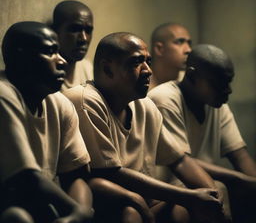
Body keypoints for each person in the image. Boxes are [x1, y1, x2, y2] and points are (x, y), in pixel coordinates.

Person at [63, 32, 228, 223]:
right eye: (136, 62)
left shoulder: (144, 105)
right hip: (109, 205)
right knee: (132, 213)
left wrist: (212, 195)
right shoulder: (85, 101)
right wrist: (188, 196)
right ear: (107, 69)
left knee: (210, 193)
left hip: (145, 203)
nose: (148, 70)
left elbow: (179, 160)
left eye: (148, 61)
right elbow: (109, 174)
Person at [148, 44, 256, 223]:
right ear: (191, 76)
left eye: (229, 82)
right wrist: (240, 180)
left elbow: (240, 156)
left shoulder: (216, 103)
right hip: (167, 193)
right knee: (216, 192)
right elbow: (180, 161)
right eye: (219, 83)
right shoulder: (164, 99)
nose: (228, 90)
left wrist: (251, 182)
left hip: (202, 188)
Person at [0, 21, 94, 223]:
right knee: (16, 217)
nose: (62, 61)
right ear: (20, 57)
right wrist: (76, 213)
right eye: (50, 52)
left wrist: (78, 214)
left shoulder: (59, 103)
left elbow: (75, 176)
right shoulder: (3, 93)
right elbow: (25, 178)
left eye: (58, 51)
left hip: (39, 208)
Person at [52, 0, 94, 91]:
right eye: (75, 29)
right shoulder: (47, 78)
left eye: (88, 31)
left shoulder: (87, 68)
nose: (84, 38)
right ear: (55, 32)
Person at [149, 23, 192, 90]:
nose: (188, 50)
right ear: (159, 49)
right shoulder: (139, 86)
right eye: (180, 42)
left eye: (189, 43)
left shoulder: (190, 83)